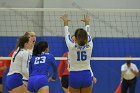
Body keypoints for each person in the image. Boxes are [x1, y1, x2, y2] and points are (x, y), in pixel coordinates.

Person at [61, 14, 94, 93]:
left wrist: (65, 23)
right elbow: (88, 33)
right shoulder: (90, 45)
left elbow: (67, 35)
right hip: (86, 75)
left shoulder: (71, 46)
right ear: (86, 38)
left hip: (74, 76)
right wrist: (87, 23)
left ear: (75, 38)